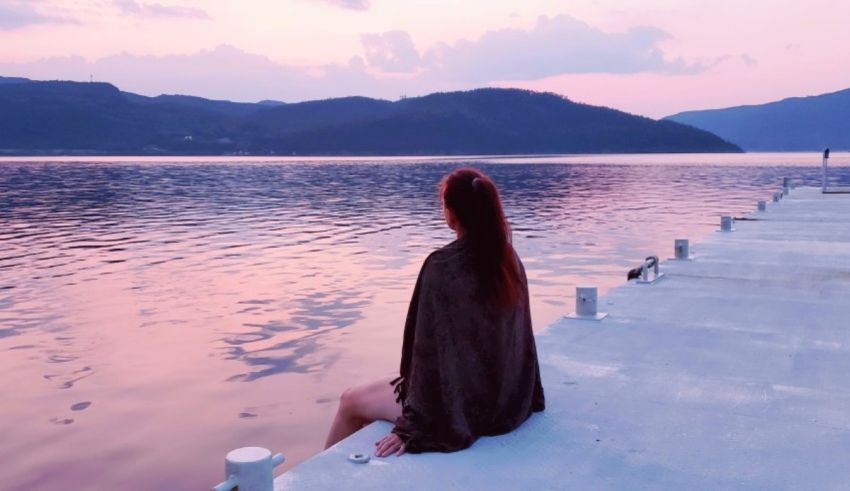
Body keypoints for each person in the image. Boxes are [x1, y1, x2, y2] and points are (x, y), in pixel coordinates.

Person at [324, 167, 545, 457]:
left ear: (452, 213)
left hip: (458, 408)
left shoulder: (443, 266)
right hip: (507, 399)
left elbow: (425, 349)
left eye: (443, 204)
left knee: (350, 401)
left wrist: (411, 428)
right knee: (383, 388)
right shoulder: (507, 257)